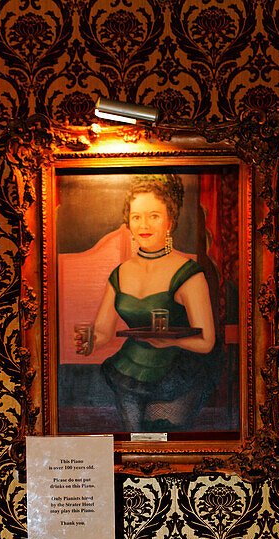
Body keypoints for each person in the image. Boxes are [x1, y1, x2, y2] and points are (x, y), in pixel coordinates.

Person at [74, 174, 222, 433]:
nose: (144, 224)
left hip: (179, 375)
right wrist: (89, 343)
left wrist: (170, 341)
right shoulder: (119, 274)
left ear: (169, 222)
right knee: (135, 442)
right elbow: (103, 332)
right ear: (128, 223)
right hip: (129, 372)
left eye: (154, 215)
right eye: (136, 216)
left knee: (159, 439)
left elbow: (207, 341)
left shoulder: (189, 273)